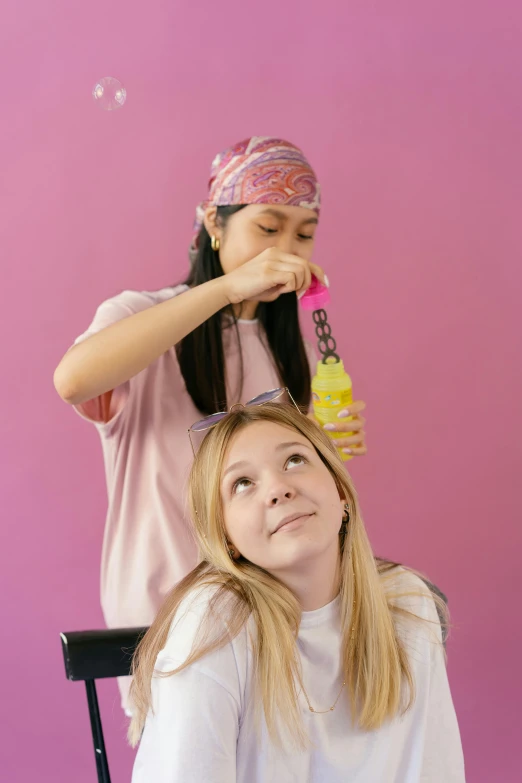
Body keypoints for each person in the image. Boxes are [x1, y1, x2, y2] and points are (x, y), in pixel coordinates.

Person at [53, 137, 368, 713]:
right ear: (213, 225)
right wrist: (226, 289)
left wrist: (319, 453)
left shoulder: (287, 350)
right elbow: (74, 380)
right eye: (268, 228)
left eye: (303, 232)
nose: (286, 249)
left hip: (274, 622)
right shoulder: (138, 316)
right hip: (170, 624)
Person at [129, 399, 465, 782]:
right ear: (227, 539)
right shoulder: (215, 625)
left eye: (293, 461)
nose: (277, 489)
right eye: (242, 484)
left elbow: (437, 769)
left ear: (340, 492)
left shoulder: (407, 602)